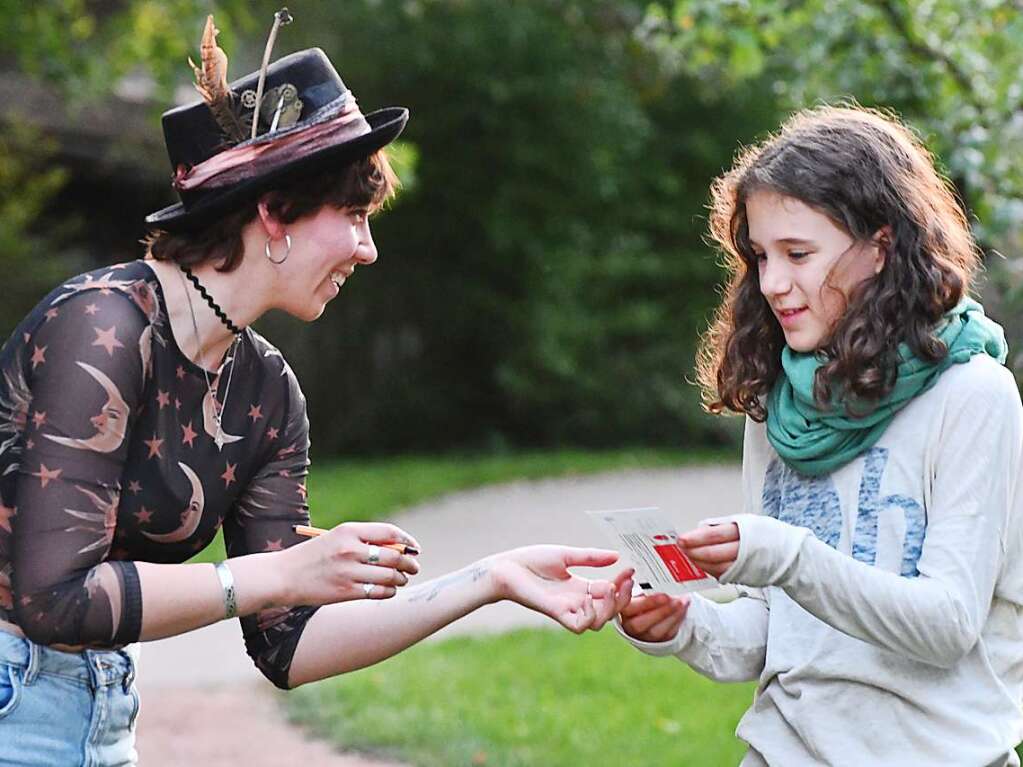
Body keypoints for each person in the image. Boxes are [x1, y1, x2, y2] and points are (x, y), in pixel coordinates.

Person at [0, 14, 633, 765]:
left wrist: (490, 578)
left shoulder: (265, 391)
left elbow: (288, 643)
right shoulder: (100, 325)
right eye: (356, 216)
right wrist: (281, 572)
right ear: (273, 212)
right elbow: (53, 596)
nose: (368, 250)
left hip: (102, 706)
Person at [616, 105, 1023, 765]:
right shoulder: (778, 402)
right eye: (758, 256)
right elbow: (775, 633)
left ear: (881, 246)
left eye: (797, 253)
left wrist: (785, 554)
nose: (772, 283)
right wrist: (682, 624)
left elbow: (946, 625)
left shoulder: (972, 395)